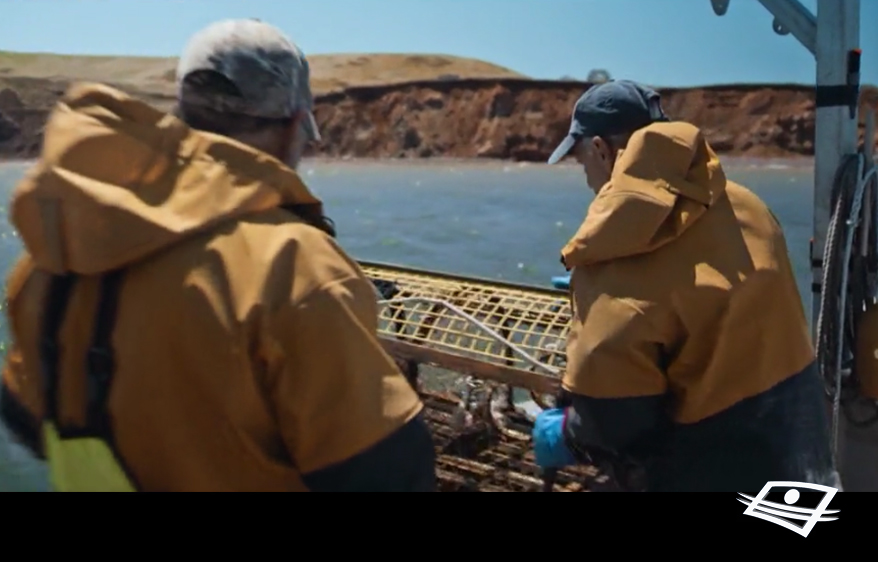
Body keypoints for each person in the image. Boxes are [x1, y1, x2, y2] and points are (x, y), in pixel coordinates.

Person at [0, 18, 436, 492]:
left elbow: (23, 412)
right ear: (293, 125)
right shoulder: (292, 265)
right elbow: (386, 469)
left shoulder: (57, 259)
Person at [530, 79, 839, 492]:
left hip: (715, 470)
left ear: (602, 150)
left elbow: (615, 422)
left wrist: (565, 433)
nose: (586, 174)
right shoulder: (746, 203)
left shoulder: (608, 261)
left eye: (581, 159)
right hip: (804, 461)